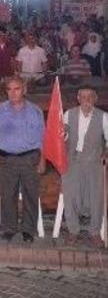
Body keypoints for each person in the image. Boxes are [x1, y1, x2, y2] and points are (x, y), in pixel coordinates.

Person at [0, 76, 45, 242]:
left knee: (30, 195)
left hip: (30, 159)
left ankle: (29, 230)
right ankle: (9, 228)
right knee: (8, 195)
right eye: (9, 89)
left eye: (17, 89)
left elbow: (43, 138)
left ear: (24, 90)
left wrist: (43, 160)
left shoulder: (35, 110)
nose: (13, 93)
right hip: (6, 159)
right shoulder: (0, 109)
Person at [62, 88, 108, 247]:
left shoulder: (103, 117)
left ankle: (94, 233)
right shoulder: (69, 114)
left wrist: (106, 153)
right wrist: (62, 135)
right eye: (83, 97)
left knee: (96, 197)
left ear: (95, 99)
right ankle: (73, 231)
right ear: (78, 98)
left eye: (90, 97)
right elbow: (63, 136)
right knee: (70, 196)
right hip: (72, 161)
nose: (86, 100)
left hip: (94, 161)